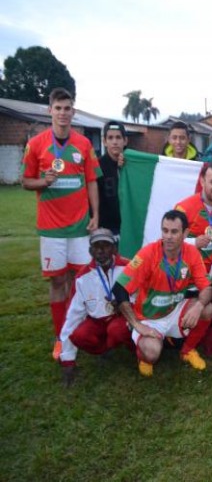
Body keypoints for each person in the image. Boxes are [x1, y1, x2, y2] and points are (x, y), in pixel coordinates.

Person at [21, 87, 101, 360]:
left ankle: (77, 329)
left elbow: (91, 180)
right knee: (57, 282)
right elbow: (25, 181)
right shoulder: (36, 144)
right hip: (51, 228)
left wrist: (96, 215)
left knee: (78, 281)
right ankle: (60, 336)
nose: (63, 113)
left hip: (79, 227)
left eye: (68, 108)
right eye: (58, 108)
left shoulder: (84, 144)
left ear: (73, 111)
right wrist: (43, 181)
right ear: (50, 110)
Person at [112, 210, 212, 377]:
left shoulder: (192, 253)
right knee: (152, 353)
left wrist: (199, 306)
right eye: (165, 230)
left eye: (174, 232)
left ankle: (187, 350)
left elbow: (208, 287)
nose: (168, 236)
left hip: (174, 310)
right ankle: (144, 357)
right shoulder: (148, 254)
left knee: (207, 309)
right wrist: (138, 325)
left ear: (185, 233)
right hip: (149, 318)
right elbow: (119, 289)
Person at [58, 229, 133, 386]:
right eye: (96, 246)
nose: (100, 251)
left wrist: (126, 304)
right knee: (79, 335)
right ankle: (104, 349)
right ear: (90, 251)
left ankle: (132, 349)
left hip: (122, 318)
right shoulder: (82, 277)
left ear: (114, 248)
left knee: (118, 331)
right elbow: (72, 316)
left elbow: (142, 296)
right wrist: (68, 361)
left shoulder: (128, 268)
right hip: (97, 321)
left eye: (105, 245)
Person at [174, 162, 212, 273]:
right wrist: (194, 242)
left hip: (210, 272)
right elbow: (168, 241)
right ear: (202, 182)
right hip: (184, 273)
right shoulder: (183, 208)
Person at [97, 121, 126, 237]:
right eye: (110, 138)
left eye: (118, 137)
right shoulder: (97, 166)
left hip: (128, 227)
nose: (115, 142)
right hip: (105, 229)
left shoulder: (132, 165)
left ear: (125, 141)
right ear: (104, 141)